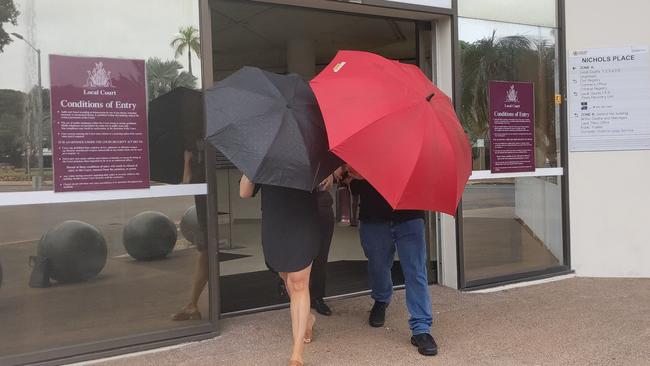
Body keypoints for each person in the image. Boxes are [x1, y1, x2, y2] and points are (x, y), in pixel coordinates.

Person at [336, 165, 438, 356]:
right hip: (373, 217)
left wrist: (376, 173)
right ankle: (381, 299)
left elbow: (425, 180)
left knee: (415, 271)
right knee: (378, 265)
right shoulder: (365, 147)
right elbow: (355, 188)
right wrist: (352, 177)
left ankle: (421, 328)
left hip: (410, 216)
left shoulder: (414, 146)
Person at [241, 175, 329, 366]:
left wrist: (325, 178)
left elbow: (327, 184)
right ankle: (307, 319)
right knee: (287, 278)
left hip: (304, 221)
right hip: (275, 224)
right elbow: (244, 192)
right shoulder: (264, 156)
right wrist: (252, 169)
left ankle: (296, 355)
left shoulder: (309, 150)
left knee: (298, 282)